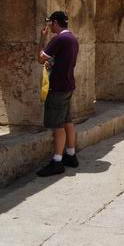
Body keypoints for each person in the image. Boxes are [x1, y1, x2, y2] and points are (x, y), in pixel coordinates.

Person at [36, 11, 80, 177]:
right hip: (68, 85)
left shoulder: (59, 39)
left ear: (55, 22)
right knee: (68, 121)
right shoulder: (73, 39)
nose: (49, 26)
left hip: (58, 88)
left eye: (50, 23)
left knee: (58, 125)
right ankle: (71, 154)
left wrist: (42, 39)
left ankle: (57, 161)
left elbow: (40, 58)